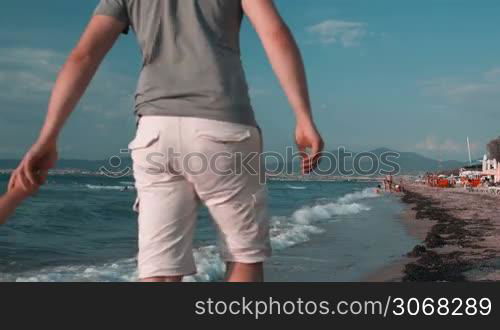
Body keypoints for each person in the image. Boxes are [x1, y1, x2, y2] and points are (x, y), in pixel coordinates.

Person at [9, 0, 324, 282]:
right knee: (243, 257)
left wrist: (48, 136)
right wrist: (303, 116)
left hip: (155, 133)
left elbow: (83, 55)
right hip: (223, 124)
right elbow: (274, 33)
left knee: (160, 272)